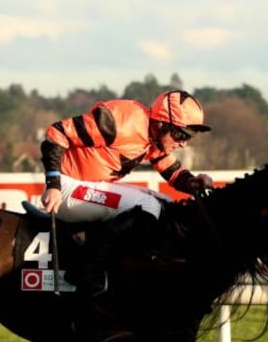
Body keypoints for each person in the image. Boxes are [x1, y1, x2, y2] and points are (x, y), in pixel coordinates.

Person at [39, 89, 215, 295]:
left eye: (188, 137)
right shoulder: (118, 121)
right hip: (66, 188)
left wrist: (193, 182)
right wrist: (53, 184)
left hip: (85, 188)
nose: (183, 143)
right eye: (180, 134)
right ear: (161, 123)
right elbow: (56, 133)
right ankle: (87, 270)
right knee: (149, 206)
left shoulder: (152, 137)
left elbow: (171, 171)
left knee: (165, 203)